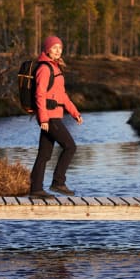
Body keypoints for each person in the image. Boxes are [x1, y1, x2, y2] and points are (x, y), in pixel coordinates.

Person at [30, 36, 83, 198]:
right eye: (54, 47)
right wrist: (44, 119)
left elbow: (63, 96)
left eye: (60, 47)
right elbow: (39, 95)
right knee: (70, 147)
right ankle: (58, 182)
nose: (58, 50)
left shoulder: (56, 68)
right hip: (50, 118)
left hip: (53, 116)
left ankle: (36, 189)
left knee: (44, 154)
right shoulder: (45, 68)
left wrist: (75, 113)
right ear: (47, 50)